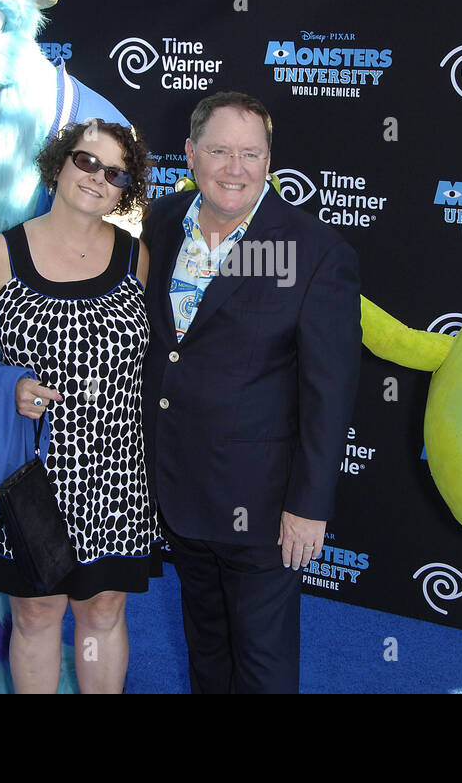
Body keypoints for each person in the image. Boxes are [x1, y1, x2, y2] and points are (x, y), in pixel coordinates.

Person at [141, 91, 361, 693]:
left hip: (263, 504)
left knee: (262, 664)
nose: (234, 168)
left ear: (269, 160)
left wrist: (309, 505)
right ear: (190, 154)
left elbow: (329, 392)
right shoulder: (160, 224)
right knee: (206, 644)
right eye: (218, 151)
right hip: (176, 484)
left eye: (250, 153)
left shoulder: (314, 253)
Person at [0, 120, 160, 694]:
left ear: (125, 191)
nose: (97, 179)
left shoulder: (136, 257)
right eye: (87, 162)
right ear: (60, 164)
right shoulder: (3, 252)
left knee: (103, 610)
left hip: (116, 474)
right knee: (36, 613)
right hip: (32, 469)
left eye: (115, 174)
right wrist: (3, 383)